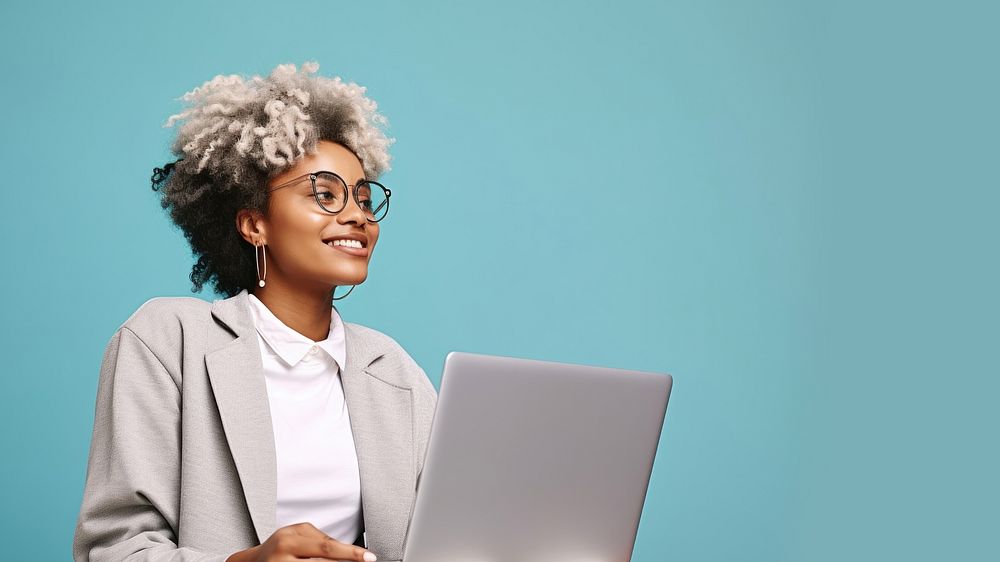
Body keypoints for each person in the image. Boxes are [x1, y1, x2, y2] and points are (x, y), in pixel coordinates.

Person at [73, 62, 437, 562]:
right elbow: (113, 548)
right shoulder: (166, 341)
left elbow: (445, 534)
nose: (356, 215)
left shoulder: (391, 370)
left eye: (364, 199)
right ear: (253, 225)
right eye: (324, 195)